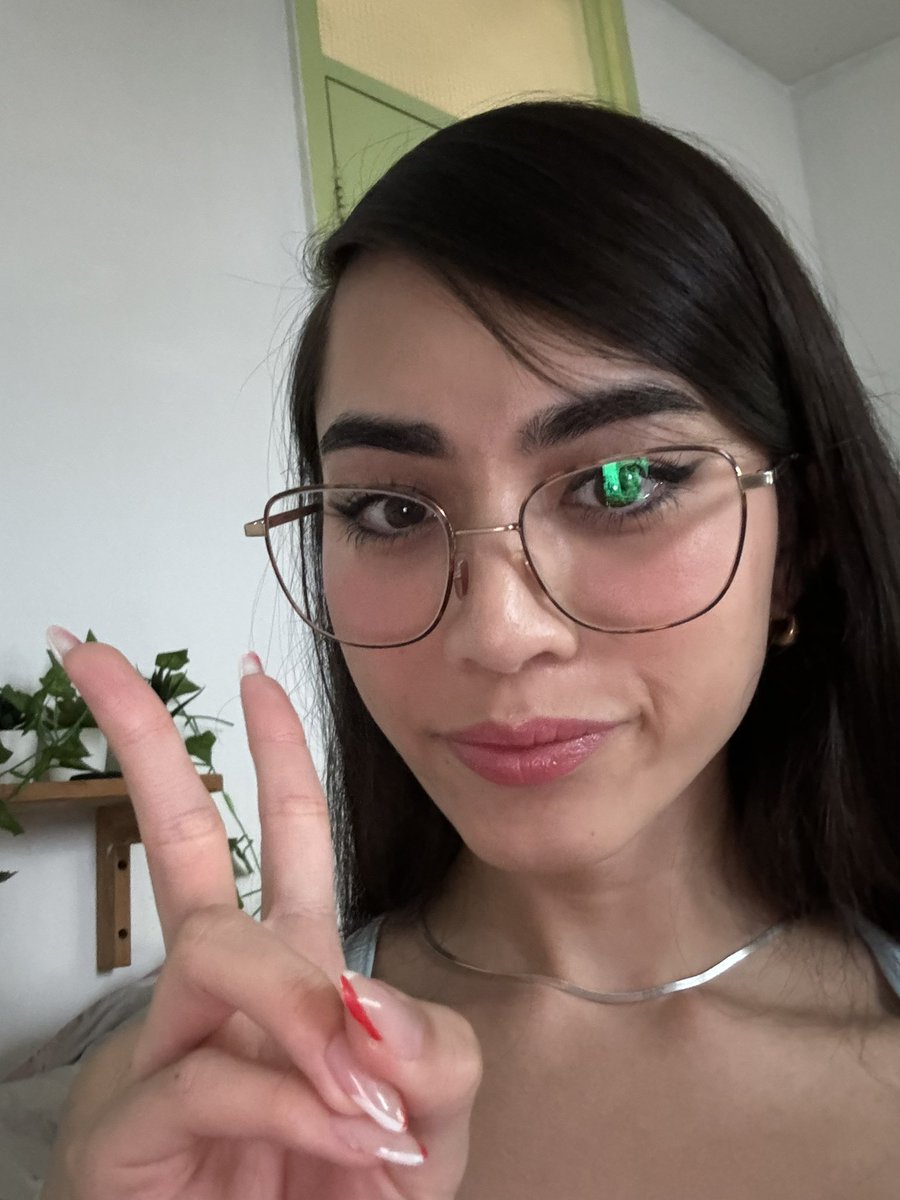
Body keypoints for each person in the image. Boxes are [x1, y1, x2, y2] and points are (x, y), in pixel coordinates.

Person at [41, 98, 900, 1199]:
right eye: (392, 510)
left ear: (798, 546)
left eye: (622, 483)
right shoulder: (208, 1098)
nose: (498, 633)